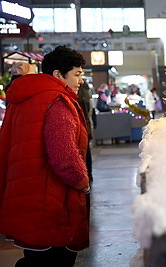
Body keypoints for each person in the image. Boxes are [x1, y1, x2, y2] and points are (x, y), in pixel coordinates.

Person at [0, 46, 90, 266]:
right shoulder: (57, 101)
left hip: (25, 198)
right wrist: (84, 183)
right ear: (58, 74)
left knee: (34, 259)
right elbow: (65, 159)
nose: (81, 81)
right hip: (52, 205)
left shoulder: (21, 98)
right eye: (77, 74)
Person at [78, 80, 95, 183]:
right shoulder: (86, 89)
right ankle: (88, 174)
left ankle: (86, 175)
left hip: (82, 123)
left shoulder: (80, 90)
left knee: (84, 150)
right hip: (85, 123)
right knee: (86, 149)